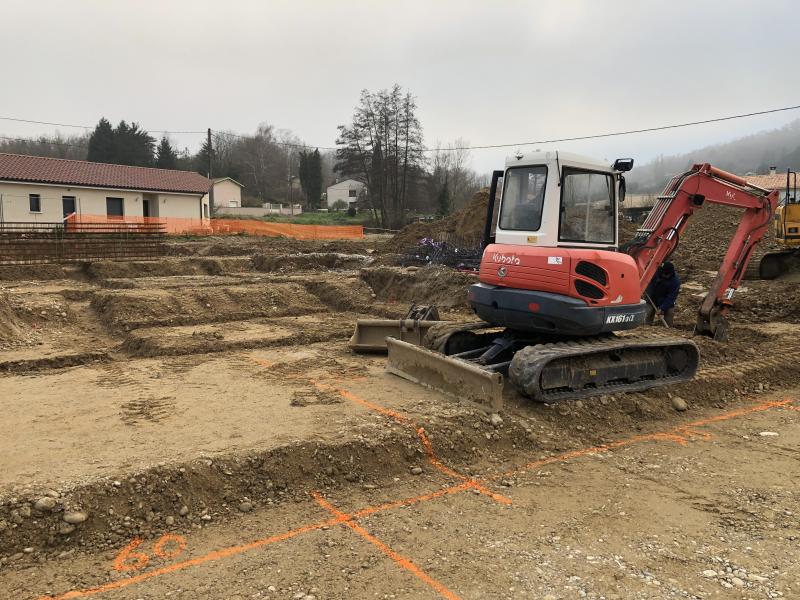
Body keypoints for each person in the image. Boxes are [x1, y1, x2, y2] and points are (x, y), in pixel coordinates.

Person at [645, 261, 680, 327]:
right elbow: (649, 286)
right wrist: (648, 296)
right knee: (648, 312)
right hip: (652, 297)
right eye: (664, 274)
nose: (665, 276)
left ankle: (668, 330)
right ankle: (646, 326)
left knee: (670, 314)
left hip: (665, 300)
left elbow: (671, 297)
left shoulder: (675, 281)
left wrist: (662, 308)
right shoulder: (655, 273)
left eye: (667, 275)